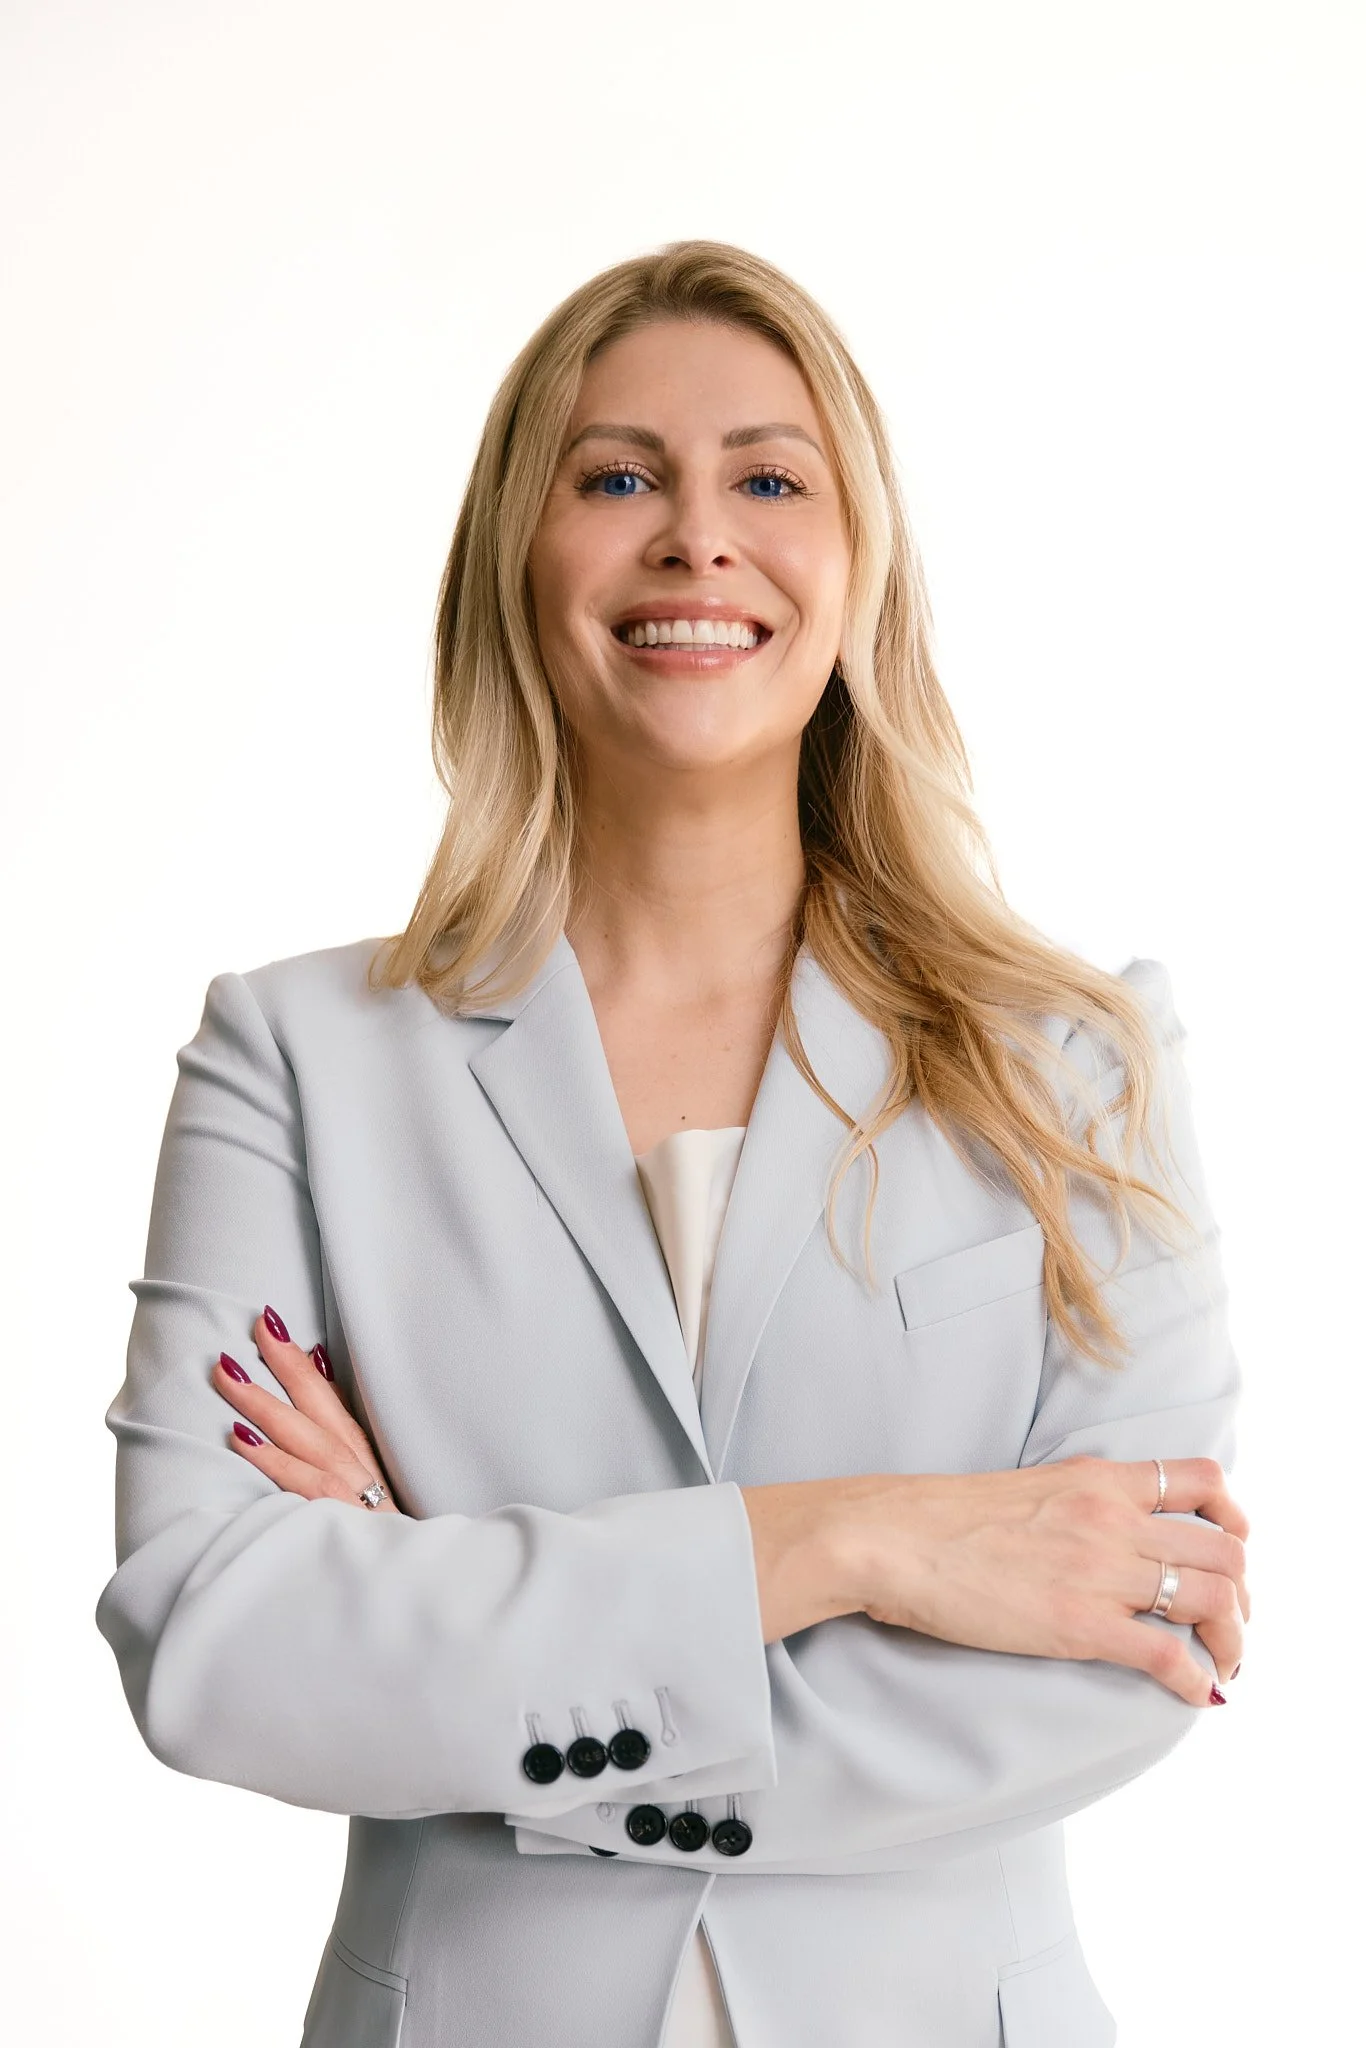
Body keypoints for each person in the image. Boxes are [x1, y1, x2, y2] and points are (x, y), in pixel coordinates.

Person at [96, 239, 1248, 2048]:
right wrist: (872, 1541)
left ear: (855, 565)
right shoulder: (299, 1056)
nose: (696, 539)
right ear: (516, 555)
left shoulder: (1075, 1061)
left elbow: (1138, 1648)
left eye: (768, 479)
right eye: (617, 475)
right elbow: (222, 1649)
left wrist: (453, 1605)